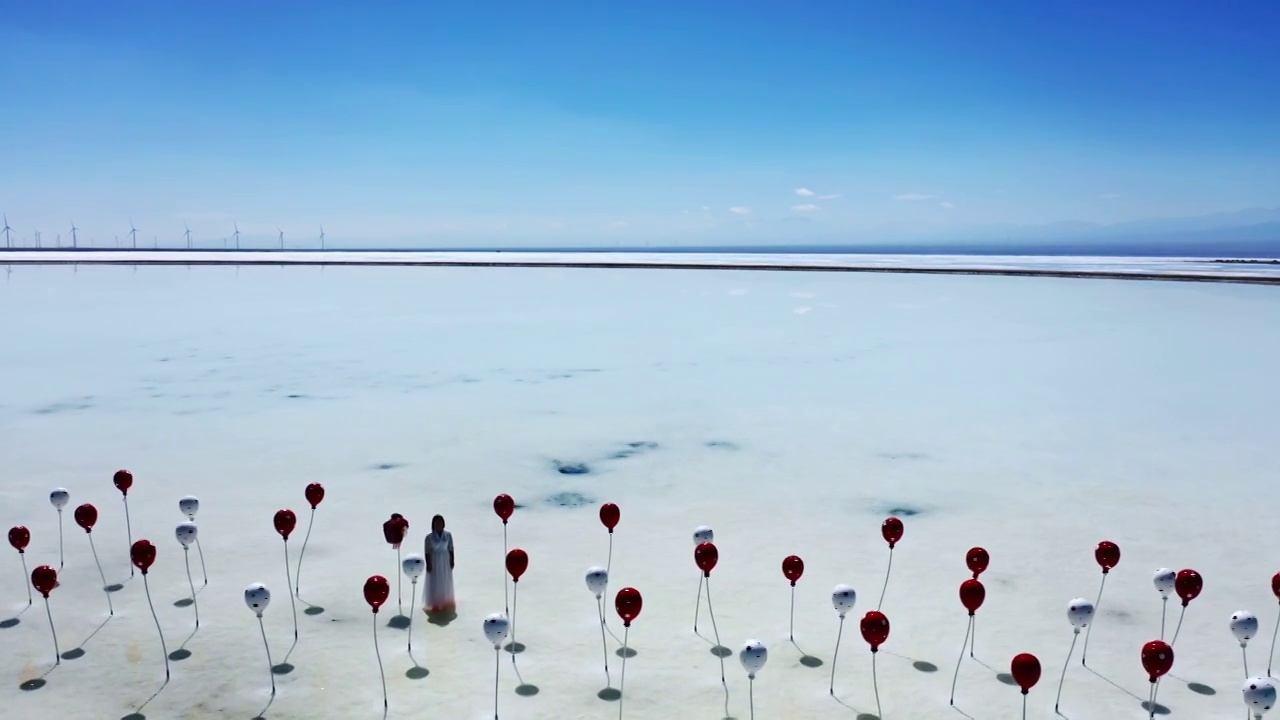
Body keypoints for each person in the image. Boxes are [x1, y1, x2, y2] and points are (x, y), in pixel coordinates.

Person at [423, 514, 456, 616]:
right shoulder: (429, 537)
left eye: (440, 523)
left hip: (445, 559)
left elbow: (451, 548)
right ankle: (435, 603)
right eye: (436, 523)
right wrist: (428, 564)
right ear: (433, 524)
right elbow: (427, 551)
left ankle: (446, 600)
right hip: (435, 559)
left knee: (445, 580)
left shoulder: (448, 535)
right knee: (436, 581)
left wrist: (452, 560)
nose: (439, 525)